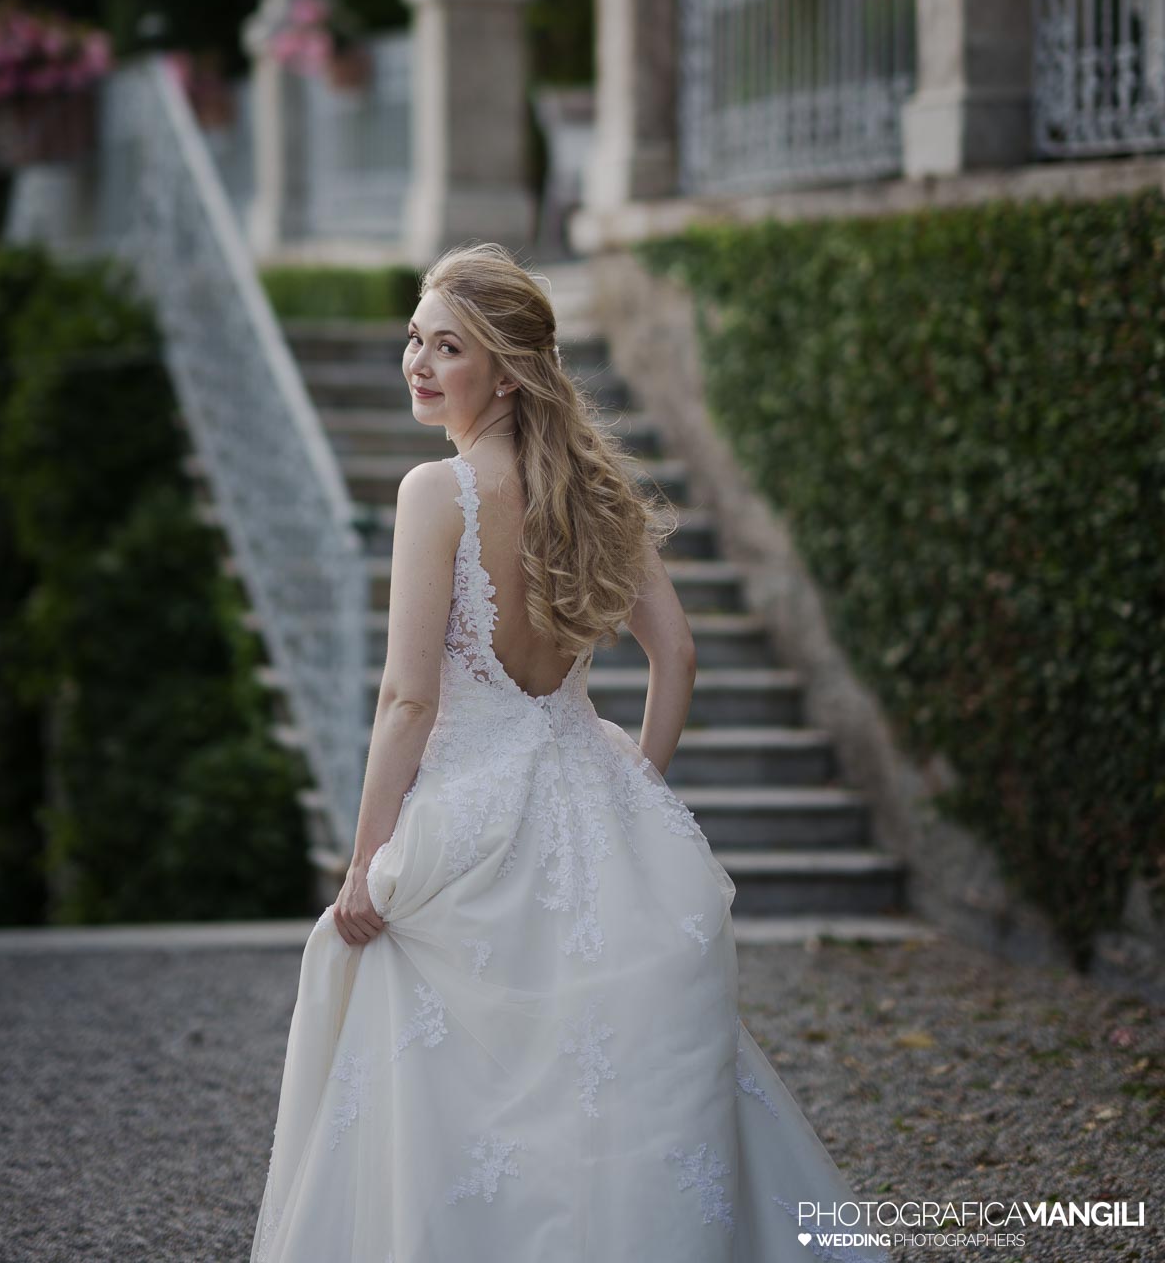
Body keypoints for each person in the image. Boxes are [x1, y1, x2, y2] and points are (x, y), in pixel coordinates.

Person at [250, 242, 887, 1261]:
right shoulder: (591, 491)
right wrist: (635, 782)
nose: (418, 363)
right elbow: (676, 653)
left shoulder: (437, 493)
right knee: (593, 1078)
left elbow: (409, 696)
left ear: (504, 369)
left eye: (447, 346)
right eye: (414, 338)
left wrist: (366, 859)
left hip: (467, 810)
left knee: (460, 1079)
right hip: (586, 790)